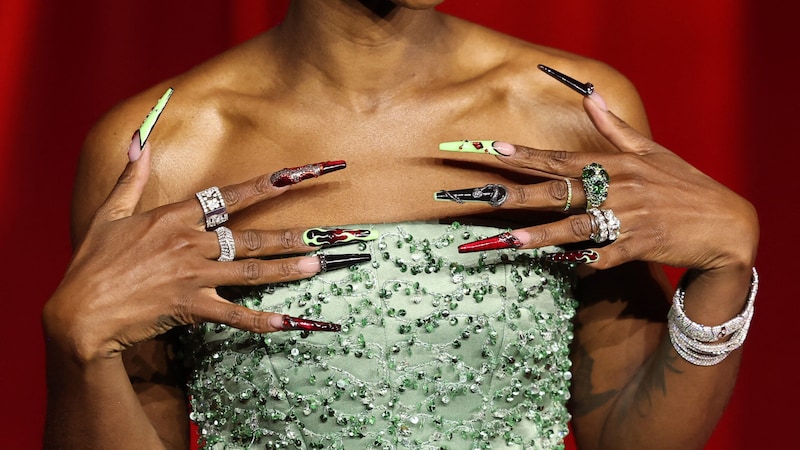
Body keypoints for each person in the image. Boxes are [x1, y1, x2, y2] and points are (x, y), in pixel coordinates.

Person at [42, 1, 759, 449]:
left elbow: (626, 435)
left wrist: (725, 270)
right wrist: (79, 348)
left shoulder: (566, 113)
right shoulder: (164, 153)